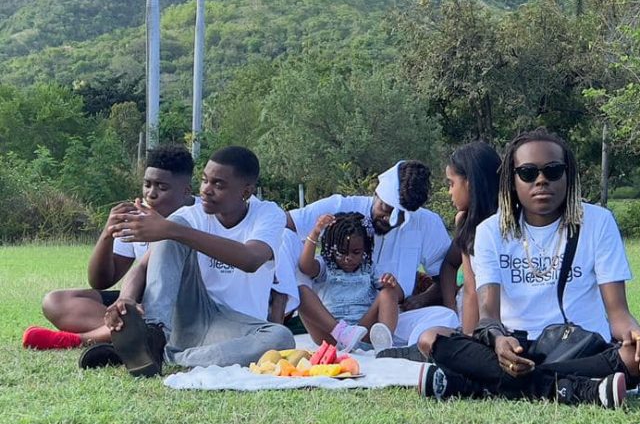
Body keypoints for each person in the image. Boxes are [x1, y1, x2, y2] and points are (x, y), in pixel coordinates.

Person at [417, 128, 640, 409]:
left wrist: (636, 334)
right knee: (430, 338)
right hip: (514, 347)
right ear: (512, 180)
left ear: (568, 176)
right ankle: (576, 389)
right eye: (528, 173)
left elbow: (619, 315)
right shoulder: (490, 231)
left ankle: (475, 386)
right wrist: (499, 340)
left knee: (633, 358)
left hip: (580, 347)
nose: (541, 180)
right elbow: (488, 315)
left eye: (553, 171)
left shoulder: (598, 222)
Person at [90, 146, 294, 376]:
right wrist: (126, 300)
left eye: (218, 185)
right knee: (174, 228)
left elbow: (251, 259)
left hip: (233, 329)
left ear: (246, 191)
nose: (206, 190)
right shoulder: (187, 217)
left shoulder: (268, 214)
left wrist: (174, 231)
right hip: (188, 317)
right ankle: (153, 334)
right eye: (204, 180)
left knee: (280, 338)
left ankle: (165, 356)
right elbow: (144, 267)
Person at [22, 145, 195, 350]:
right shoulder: (136, 217)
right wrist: (107, 233)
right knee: (55, 301)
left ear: (185, 191)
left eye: (162, 188)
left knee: (152, 311)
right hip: (141, 299)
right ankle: (134, 333)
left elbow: (144, 266)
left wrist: (126, 299)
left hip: (184, 302)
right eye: (147, 185)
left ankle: (83, 339)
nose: (151, 194)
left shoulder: (195, 216)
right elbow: (101, 281)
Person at [287, 160, 459, 350]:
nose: (388, 219)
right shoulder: (341, 207)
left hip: (384, 321)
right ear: (376, 193)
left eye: (398, 216)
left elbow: (444, 276)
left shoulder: (427, 223)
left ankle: (393, 348)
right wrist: (314, 234)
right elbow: (284, 224)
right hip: (329, 325)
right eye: (384, 209)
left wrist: (420, 299)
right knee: (291, 259)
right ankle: (344, 334)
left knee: (447, 317)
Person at [298, 211, 400, 352]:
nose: (348, 258)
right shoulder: (326, 266)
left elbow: (398, 295)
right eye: (341, 252)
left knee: (388, 292)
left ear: (365, 249)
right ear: (331, 249)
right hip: (331, 335)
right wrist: (315, 233)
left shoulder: (369, 268)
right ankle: (343, 333)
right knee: (300, 292)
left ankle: (384, 345)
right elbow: (305, 266)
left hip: (364, 331)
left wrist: (390, 282)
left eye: (356, 252)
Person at [436, 141, 501, 336]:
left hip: (506, 321)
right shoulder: (464, 221)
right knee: (429, 337)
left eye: (451, 183)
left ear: (470, 183)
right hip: (476, 321)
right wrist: (468, 339)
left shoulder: (506, 224)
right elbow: (470, 289)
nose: (450, 192)